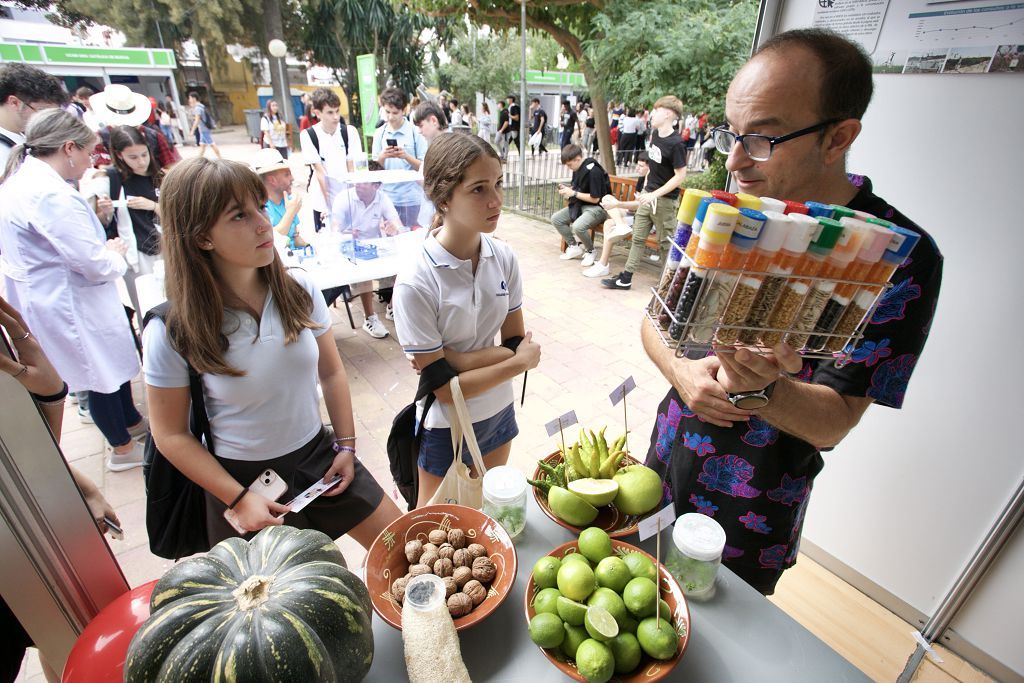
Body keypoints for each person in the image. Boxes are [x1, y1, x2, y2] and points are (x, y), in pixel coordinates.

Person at [641, 28, 944, 595]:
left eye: (762, 139)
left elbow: (836, 419)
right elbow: (654, 321)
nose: (735, 160)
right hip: (662, 462)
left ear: (838, 137)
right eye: (732, 134)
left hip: (753, 508)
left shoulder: (895, 257)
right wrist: (683, 374)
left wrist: (763, 390)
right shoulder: (725, 210)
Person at [143, 157, 402, 546]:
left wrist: (346, 445)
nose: (264, 224)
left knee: (405, 549)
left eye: (260, 207)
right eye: (238, 216)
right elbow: (171, 435)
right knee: (296, 597)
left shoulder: (298, 291)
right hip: (244, 484)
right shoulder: (172, 330)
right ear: (201, 237)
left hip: (321, 457)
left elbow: (331, 373)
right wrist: (238, 497)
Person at [393, 133, 541, 507]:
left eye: (497, 184)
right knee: (435, 525)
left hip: (499, 409)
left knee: (488, 512)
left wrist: (456, 361)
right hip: (447, 424)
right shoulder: (417, 278)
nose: (495, 200)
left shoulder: (503, 257)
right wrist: (517, 362)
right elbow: (442, 389)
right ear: (443, 198)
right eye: (478, 189)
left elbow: (512, 341)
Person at [0, 108, 146, 471]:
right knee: (98, 375)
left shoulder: (25, 182)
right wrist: (113, 255)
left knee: (105, 369)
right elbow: (91, 263)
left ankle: (128, 422)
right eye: (87, 152)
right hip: (71, 301)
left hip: (56, 296)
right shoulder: (50, 194)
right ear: (69, 148)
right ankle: (122, 447)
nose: (89, 161)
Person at [0, 294, 121, 683]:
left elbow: (17, 448)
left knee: (67, 634)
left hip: (26, 536)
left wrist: (78, 485)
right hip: (16, 543)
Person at [601, 95, 687, 291]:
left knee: (666, 244)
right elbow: (653, 167)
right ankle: (626, 278)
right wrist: (645, 190)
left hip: (664, 203)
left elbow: (680, 176)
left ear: (667, 114)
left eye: (656, 111)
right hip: (647, 198)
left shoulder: (676, 143)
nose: (652, 114)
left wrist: (654, 194)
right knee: (638, 239)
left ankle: (669, 285)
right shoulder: (655, 134)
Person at [332, 159, 402, 339]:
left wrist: (394, 227)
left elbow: (396, 222)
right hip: (351, 250)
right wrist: (345, 233)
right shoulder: (344, 197)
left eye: (364, 181)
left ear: (377, 185)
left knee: (404, 264)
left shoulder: (382, 198)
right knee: (364, 273)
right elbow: (334, 229)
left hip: (375, 247)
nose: (358, 184)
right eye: (357, 179)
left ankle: (393, 308)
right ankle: (370, 318)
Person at [94, 125, 163, 280]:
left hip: (164, 246)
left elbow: (177, 214)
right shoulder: (110, 179)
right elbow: (100, 222)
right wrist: (107, 212)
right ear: (119, 155)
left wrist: (153, 206)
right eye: (133, 157)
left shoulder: (159, 175)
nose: (141, 161)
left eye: (144, 154)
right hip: (134, 252)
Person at [300, 87, 363, 232]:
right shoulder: (308, 135)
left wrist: (354, 201)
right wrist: (331, 206)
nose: (335, 117)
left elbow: (352, 168)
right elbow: (320, 172)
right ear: (317, 113)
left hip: (347, 198)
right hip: (323, 202)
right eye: (330, 112)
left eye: (337, 111)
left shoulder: (349, 132)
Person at [584, 152, 649, 278]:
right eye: (638, 165)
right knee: (607, 198)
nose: (637, 168)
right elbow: (637, 205)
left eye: (641, 166)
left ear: (650, 168)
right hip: (634, 214)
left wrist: (619, 204)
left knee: (608, 224)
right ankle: (621, 224)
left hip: (645, 219)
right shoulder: (642, 179)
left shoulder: (653, 183)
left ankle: (603, 265)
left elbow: (641, 206)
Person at [372, 87, 428, 228]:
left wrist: (406, 156)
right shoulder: (379, 133)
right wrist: (382, 157)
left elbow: (424, 167)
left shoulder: (416, 132)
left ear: (405, 110)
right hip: (386, 198)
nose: (390, 117)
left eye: (395, 113)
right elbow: (373, 170)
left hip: (411, 199)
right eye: (387, 112)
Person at [90, 85, 181, 170]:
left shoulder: (154, 135)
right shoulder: (100, 138)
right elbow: (103, 169)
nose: (141, 162)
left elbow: (170, 167)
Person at [551, 143, 610, 266]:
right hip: (581, 205)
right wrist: (568, 190)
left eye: (569, 165)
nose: (569, 168)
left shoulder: (594, 171)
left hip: (598, 208)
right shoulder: (578, 168)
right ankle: (574, 246)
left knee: (578, 226)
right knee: (556, 219)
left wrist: (573, 193)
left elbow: (595, 199)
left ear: (577, 159)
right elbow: (578, 188)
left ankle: (591, 251)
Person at [0, 63, 68, 169]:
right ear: (14, 102)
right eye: (42, 111)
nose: (48, 120)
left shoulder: (23, 138)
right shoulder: (4, 150)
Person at [252, 146, 306, 249]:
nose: (292, 178)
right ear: (272, 180)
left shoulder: (287, 200)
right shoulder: (259, 208)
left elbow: (295, 238)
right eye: (287, 175)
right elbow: (272, 238)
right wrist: (291, 212)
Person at [188, 91, 221, 159]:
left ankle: (220, 158)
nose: (189, 100)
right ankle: (198, 159)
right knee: (202, 145)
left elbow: (197, 120)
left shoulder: (197, 108)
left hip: (204, 129)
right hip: (204, 129)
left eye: (190, 98)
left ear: (194, 98)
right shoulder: (201, 106)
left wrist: (192, 130)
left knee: (211, 144)